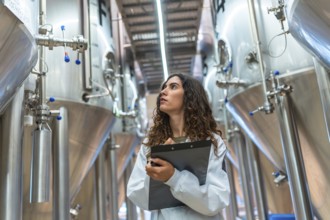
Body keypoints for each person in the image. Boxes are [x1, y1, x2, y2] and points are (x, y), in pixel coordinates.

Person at [127, 73, 230, 220]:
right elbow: (136, 195)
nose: (163, 91)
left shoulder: (211, 141)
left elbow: (217, 200)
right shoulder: (151, 143)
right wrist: (153, 173)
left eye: (173, 87)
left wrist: (173, 177)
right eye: (163, 88)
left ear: (189, 96)